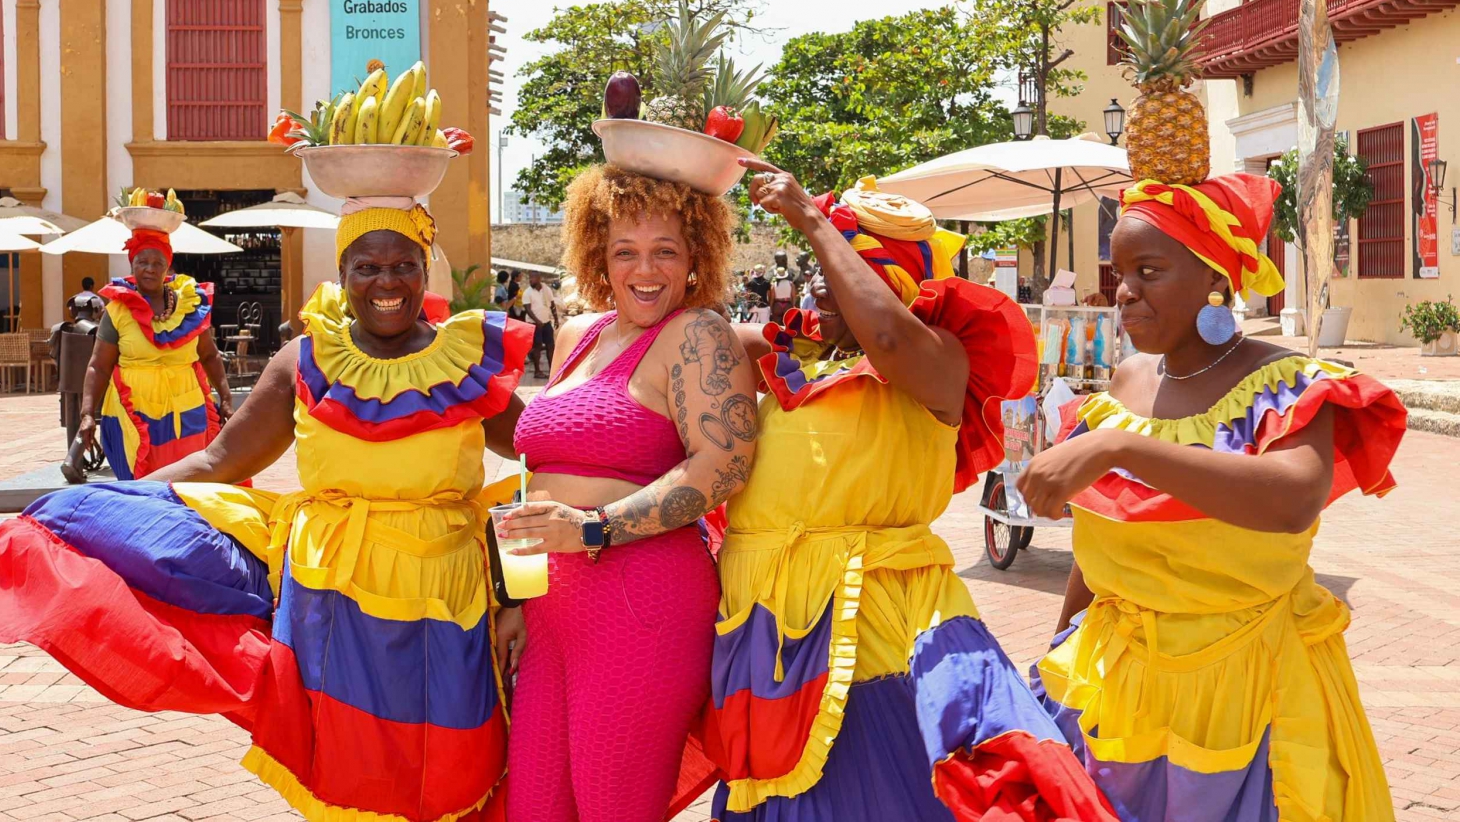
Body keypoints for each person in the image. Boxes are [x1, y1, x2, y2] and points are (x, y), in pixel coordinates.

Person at [0, 196, 533, 822]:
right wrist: (91, 501)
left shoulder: (467, 361)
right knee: (348, 770)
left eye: (404, 264)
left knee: (449, 767)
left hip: (449, 594)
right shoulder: (306, 362)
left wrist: (527, 591)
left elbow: (550, 454)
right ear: (342, 275)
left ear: (426, 270)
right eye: (366, 267)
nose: (387, 281)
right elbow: (218, 462)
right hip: (332, 597)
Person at [701, 168, 1116, 822]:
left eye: (835, 259)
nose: (815, 278)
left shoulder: (939, 360)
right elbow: (687, 338)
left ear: (884, 282)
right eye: (816, 260)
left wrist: (813, 217)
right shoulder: (796, 359)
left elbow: (887, 336)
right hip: (773, 629)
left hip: (883, 635)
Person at [1020, 173, 1408, 822]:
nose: (1125, 291)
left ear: (1215, 280)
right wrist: (1059, 642)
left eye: (1149, 269)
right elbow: (1114, 530)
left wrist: (1120, 448)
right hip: (1115, 684)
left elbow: (1291, 501)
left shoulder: (1285, 385)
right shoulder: (1126, 380)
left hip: (1247, 692)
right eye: (1119, 271)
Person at [496, 163, 757, 822]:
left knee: (615, 809)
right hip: (549, 616)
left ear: (696, 255)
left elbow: (723, 464)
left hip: (641, 607)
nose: (646, 269)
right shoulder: (575, 335)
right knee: (534, 809)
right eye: (626, 251)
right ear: (598, 256)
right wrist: (516, 599)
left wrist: (592, 527)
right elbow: (545, 470)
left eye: (665, 250)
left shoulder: (697, 334)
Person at [73, 227, 235, 479]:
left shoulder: (190, 306)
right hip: (133, 414)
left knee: (188, 483)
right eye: (142, 262)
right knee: (140, 488)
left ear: (168, 267)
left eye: (157, 262)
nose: (149, 268)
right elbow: (99, 366)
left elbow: (209, 355)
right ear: (132, 264)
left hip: (187, 411)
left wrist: (225, 398)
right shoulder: (117, 311)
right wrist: (86, 414)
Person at [521, 270, 559, 378]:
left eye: (532, 278)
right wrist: (537, 321)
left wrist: (556, 319)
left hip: (546, 322)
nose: (530, 280)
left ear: (539, 279)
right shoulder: (527, 293)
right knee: (537, 347)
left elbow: (552, 305)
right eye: (529, 278)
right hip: (534, 324)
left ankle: (553, 370)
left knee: (550, 346)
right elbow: (528, 309)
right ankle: (537, 371)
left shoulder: (546, 290)